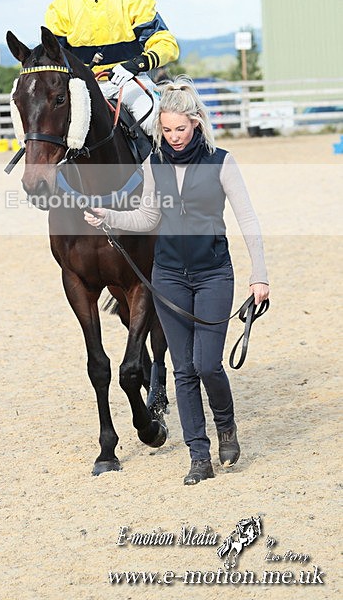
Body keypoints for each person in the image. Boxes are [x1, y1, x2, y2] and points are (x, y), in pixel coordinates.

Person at [84, 77, 270, 485]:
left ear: (196, 124)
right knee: (183, 370)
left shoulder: (222, 162)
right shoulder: (154, 165)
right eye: (166, 130)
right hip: (167, 276)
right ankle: (198, 456)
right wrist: (108, 216)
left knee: (207, 364)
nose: (174, 137)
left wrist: (260, 276)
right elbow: (148, 218)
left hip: (214, 274)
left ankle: (226, 425)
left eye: (180, 129)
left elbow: (248, 219)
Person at [45, 0, 179, 134]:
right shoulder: (60, 6)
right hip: (83, 90)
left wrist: (137, 64)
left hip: (131, 84)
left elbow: (165, 43)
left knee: (155, 124)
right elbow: (51, 58)